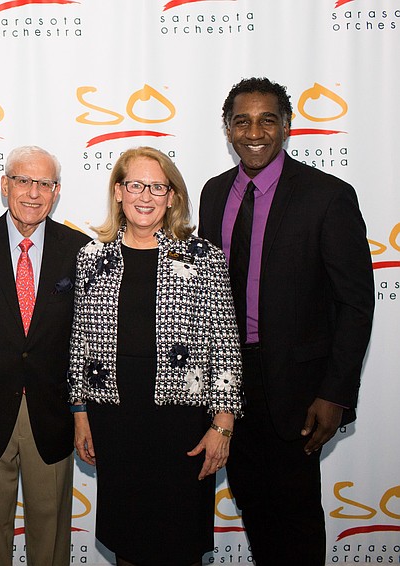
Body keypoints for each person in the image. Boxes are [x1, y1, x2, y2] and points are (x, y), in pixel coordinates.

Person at [198, 77, 374, 565]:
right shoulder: (214, 194)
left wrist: (335, 392)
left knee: (294, 523)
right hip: (228, 386)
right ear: (228, 130)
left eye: (267, 119)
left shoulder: (327, 196)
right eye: (242, 121)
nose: (255, 131)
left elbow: (356, 304)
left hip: (299, 390)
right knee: (253, 510)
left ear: (287, 127)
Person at [69, 147, 243, 566]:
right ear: (118, 192)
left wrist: (223, 423)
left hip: (180, 421)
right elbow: (79, 344)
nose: (145, 196)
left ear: (172, 197)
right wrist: (79, 414)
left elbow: (225, 345)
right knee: (128, 539)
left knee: (178, 541)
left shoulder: (202, 256)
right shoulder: (92, 257)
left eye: (157, 186)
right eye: (135, 185)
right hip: (114, 417)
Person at [0, 146, 90, 566]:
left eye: (44, 183)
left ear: (57, 191)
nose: (33, 192)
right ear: (4, 185)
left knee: (50, 546)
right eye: (23, 180)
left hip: (52, 415)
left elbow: (91, 340)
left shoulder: (81, 250)